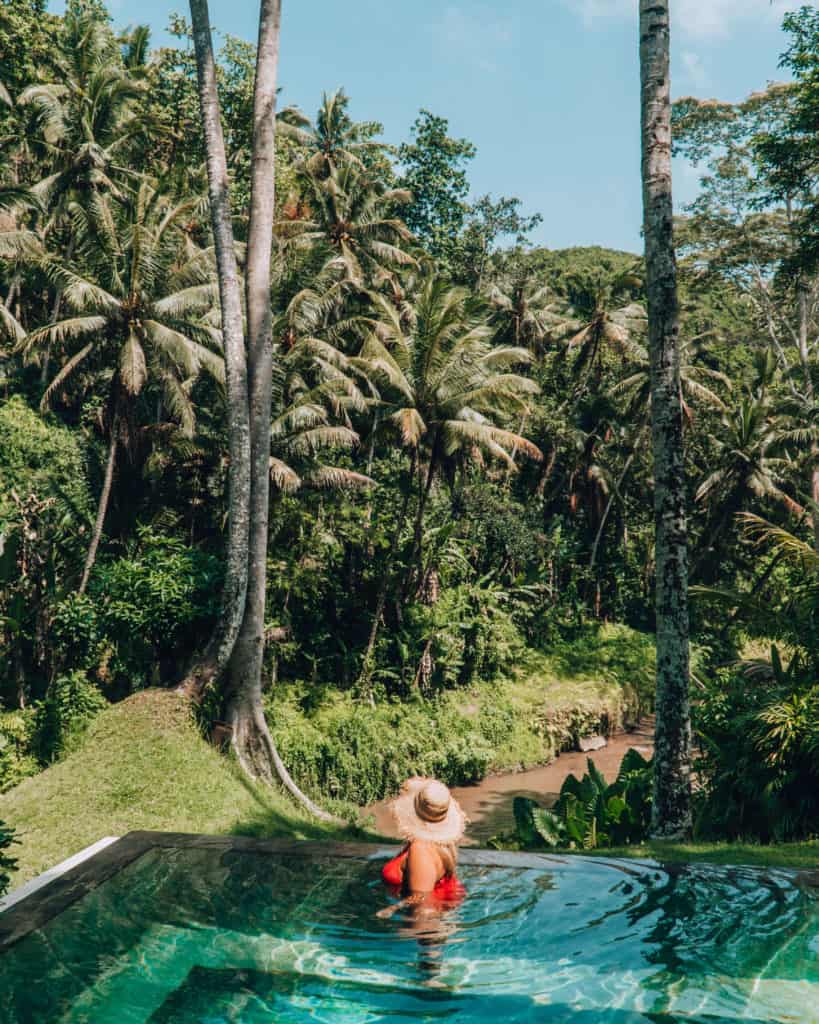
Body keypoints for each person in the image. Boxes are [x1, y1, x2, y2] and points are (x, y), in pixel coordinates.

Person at [377, 777, 467, 919]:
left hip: (426, 924)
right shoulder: (440, 842)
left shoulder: (421, 848)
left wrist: (391, 909)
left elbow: (422, 903)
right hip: (441, 912)